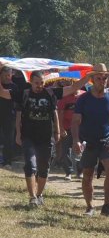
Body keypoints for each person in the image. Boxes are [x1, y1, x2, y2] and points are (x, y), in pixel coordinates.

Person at [0, 71, 88, 206]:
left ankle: (40, 194)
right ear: (30, 82)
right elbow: (3, 93)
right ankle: (32, 197)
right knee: (30, 165)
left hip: (46, 138)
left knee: (43, 168)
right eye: (36, 83)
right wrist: (18, 133)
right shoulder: (24, 93)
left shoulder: (50, 93)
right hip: (28, 136)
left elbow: (72, 88)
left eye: (41, 83)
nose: (39, 86)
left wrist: (88, 77)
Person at [71, 64, 109, 217]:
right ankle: (89, 207)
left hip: (107, 141)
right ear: (92, 79)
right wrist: (76, 140)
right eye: (99, 78)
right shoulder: (83, 99)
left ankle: (107, 205)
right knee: (87, 174)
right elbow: (75, 121)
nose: (102, 81)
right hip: (88, 143)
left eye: (105, 78)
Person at [0, 66, 17, 167]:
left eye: (9, 75)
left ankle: (7, 161)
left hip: (9, 115)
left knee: (8, 139)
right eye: (5, 75)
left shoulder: (14, 86)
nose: (7, 77)